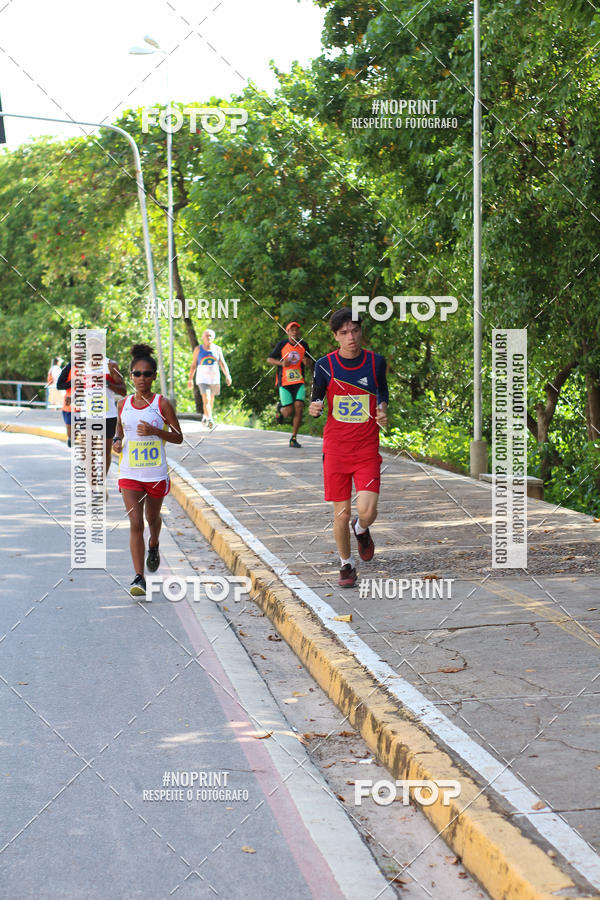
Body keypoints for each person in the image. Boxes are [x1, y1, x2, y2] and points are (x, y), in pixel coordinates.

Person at [309, 308, 389, 588]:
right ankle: (346, 565)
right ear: (335, 337)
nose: (350, 337)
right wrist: (315, 407)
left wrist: (382, 411)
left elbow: (382, 393)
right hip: (336, 449)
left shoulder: (375, 362)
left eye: (354, 330)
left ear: (361, 332)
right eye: (344, 333)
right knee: (340, 513)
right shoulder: (324, 365)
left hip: (366, 448)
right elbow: (316, 397)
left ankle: (362, 529)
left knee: (366, 511)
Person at [113, 344, 183, 597]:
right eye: (136, 374)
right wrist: (116, 441)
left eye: (146, 374)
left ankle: (154, 543)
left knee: (152, 520)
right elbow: (120, 430)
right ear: (131, 376)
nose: (141, 378)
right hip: (129, 473)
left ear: (154, 376)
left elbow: (178, 437)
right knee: (135, 524)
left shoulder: (161, 404)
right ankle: (139, 578)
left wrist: (155, 431)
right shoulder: (123, 404)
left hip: (155, 475)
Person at [267, 321, 313, 448]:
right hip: (285, 382)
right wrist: (281, 363)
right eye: (292, 330)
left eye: (296, 330)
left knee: (299, 407)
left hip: (299, 381)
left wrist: (306, 362)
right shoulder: (282, 345)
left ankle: (293, 438)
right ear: (288, 332)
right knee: (288, 412)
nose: (295, 332)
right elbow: (269, 359)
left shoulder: (304, 345)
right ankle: (280, 409)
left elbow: (310, 363)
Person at [187, 329, 232, 427]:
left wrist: (228, 375)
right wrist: (190, 379)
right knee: (206, 399)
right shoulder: (198, 349)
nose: (208, 337)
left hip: (214, 378)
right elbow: (193, 365)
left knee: (211, 400)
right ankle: (210, 419)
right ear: (203, 338)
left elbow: (222, 363)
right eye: (206, 335)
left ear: (213, 338)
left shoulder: (217, 349)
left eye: (210, 335)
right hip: (202, 379)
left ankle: (206, 416)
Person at [56, 361, 72, 447]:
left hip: (86, 403)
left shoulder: (91, 366)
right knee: (71, 433)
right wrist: (71, 383)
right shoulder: (69, 367)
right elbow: (59, 385)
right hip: (70, 403)